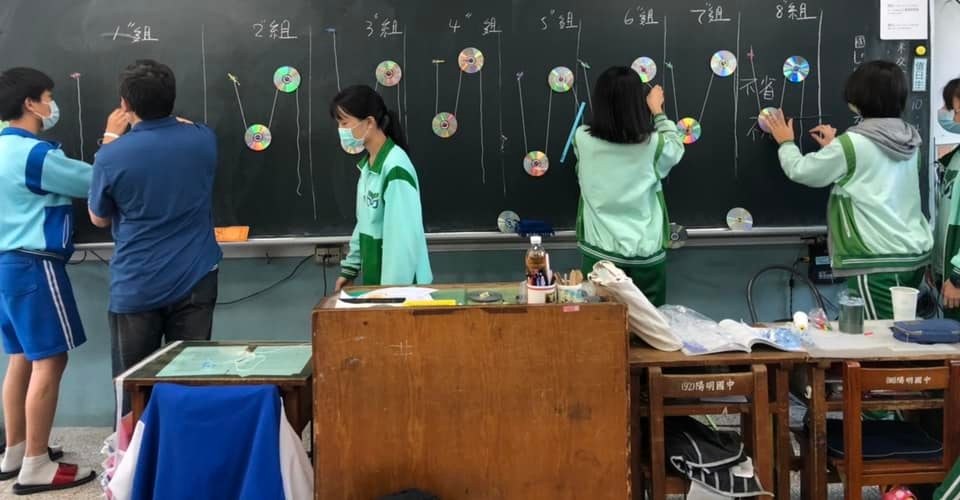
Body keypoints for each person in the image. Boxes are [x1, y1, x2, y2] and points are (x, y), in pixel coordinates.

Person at [0, 67, 108, 493]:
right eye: (47, 97)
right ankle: (36, 465)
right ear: (30, 103)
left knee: (21, 357)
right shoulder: (34, 155)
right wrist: (112, 140)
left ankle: (15, 451)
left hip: (5, 266)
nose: (51, 105)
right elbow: (96, 180)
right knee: (51, 359)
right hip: (34, 264)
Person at [762, 60, 932, 319]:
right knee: (901, 329)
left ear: (860, 98)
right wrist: (835, 148)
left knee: (881, 336)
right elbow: (872, 175)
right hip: (912, 253)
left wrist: (786, 142)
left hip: (877, 259)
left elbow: (801, 170)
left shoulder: (852, 144)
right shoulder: (911, 142)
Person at [88, 60, 222, 386]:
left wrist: (110, 138)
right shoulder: (203, 138)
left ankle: (133, 423)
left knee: (134, 386)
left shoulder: (111, 156)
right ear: (172, 97)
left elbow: (99, 217)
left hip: (138, 281)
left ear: (125, 104)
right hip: (196, 276)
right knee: (189, 384)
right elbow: (187, 127)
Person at [572, 66, 685, 306]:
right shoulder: (654, 145)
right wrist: (658, 111)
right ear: (638, 103)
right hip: (645, 253)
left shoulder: (581, 138)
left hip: (598, 253)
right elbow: (676, 147)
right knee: (650, 324)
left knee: (599, 322)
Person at [330, 85, 432, 291]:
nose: (341, 130)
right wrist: (350, 268)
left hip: (401, 288)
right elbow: (365, 223)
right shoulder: (369, 167)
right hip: (379, 284)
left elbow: (402, 241)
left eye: (344, 123)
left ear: (369, 122)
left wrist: (390, 294)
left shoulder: (395, 168)